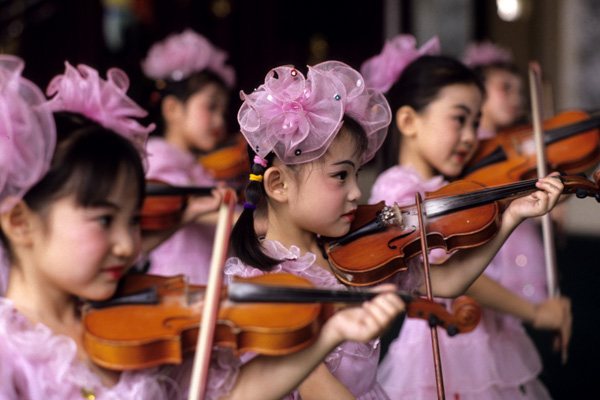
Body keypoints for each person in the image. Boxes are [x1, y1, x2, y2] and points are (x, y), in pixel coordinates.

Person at [0, 57, 406, 400]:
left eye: (133, 222)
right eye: (105, 220)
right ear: (20, 221)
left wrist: (328, 334)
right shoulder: (9, 355)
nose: (129, 245)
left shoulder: (134, 326)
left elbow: (233, 392)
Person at [225, 59, 563, 400]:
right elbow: (320, 391)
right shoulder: (264, 280)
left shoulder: (356, 251)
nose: (357, 191)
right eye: (341, 176)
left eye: (357, 174)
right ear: (279, 185)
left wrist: (511, 217)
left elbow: (444, 280)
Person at [361, 36, 571, 399]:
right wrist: (534, 312)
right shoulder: (399, 190)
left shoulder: (450, 188)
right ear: (409, 121)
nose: (472, 137)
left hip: (476, 343)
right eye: (459, 119)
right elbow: (448, 276)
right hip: (447, 350)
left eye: (476, 122)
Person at [140, 29, 240, 284]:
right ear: (173, 109)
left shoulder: (195, 163)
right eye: (211, 106)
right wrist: (265, 224)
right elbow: (187, 207)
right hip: (181, 284)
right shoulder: (161, 157)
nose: (220, 120)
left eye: (223, 110)